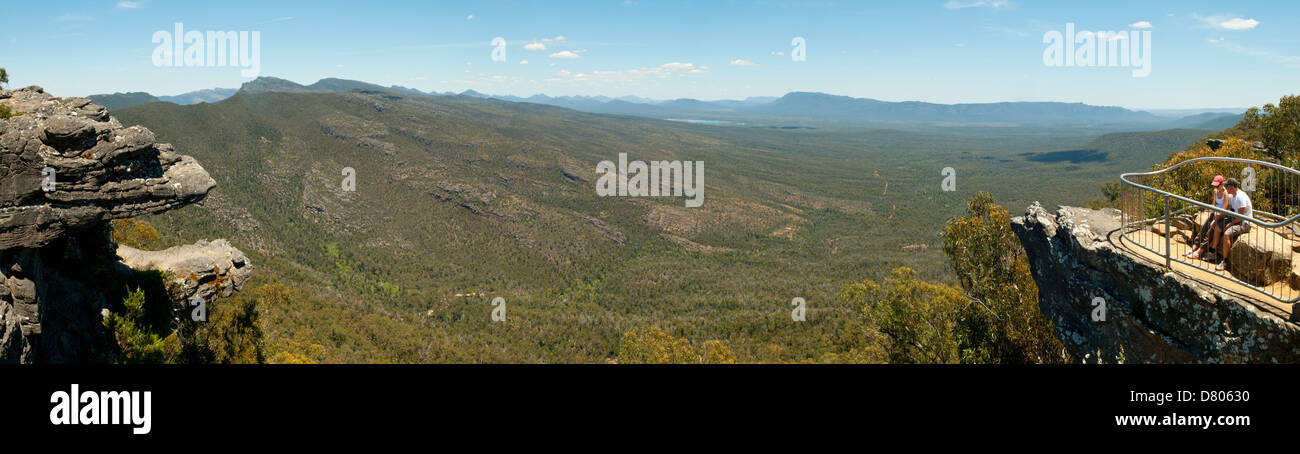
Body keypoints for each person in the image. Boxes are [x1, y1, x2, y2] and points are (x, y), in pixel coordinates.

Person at [1186, 175, 1228, 260]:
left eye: (1217, 185)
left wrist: (1216, 219)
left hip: (1221, 216)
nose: (1216, 187)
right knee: (1203, 229)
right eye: (1215, 185)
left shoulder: (1226, 194)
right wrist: (1212, 214)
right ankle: (1193, 248)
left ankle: (1198, 252)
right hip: (1214, 214)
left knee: (1210, 233)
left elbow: (1224, 210)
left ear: (1222, 184)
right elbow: (1214, 204)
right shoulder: (1215, 191)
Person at [1215, 178, 1253, 272]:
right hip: (1236, 219)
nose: (1225, 188)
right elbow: (1229, 207)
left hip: (1245, 223)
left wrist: (1230, 224)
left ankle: (1224, 262)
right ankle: (1212, 251)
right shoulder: (1232, 195)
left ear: (1231, 187)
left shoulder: (1240, 197)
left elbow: (1240, 217)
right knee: (1218, 226)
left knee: (1227, 234)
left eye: (1227, 186)